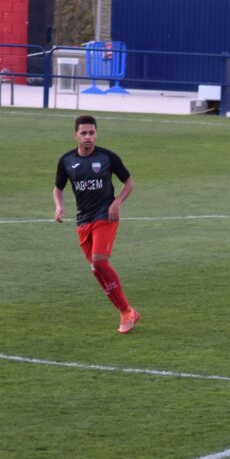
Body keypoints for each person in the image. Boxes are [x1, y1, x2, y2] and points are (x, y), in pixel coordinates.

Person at [53, 115, 139, 334]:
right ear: (76, 135)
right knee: (95, 269)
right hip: (83, 221)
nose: (88, 137)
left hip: (105, 217)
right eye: (83, 133)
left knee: (100, 262)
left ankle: (125, 312)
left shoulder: (108, 157)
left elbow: (129, 182)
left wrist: (117, 203)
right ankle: (128, 310)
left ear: (96, 134)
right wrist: (59, 207)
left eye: (91, 132)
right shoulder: (66, 161)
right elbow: (58, 188)